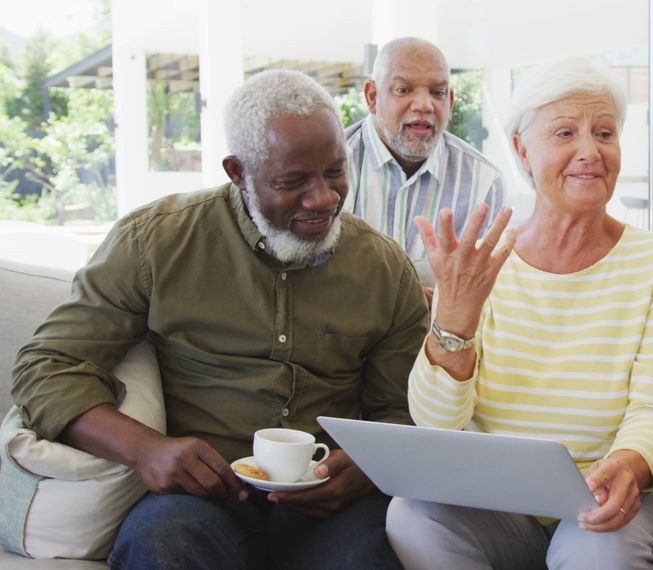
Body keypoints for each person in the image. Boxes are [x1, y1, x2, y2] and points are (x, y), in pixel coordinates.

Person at [11, 69, 429, 569]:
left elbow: (402, 411)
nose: (323, 198)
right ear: (238, 172)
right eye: (293, 181)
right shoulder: (156, 242)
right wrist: (147, 450)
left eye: (335, 171)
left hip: (330, 502)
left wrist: (362, 469)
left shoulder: (382, 266)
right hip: (200, 497)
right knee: (161, 550)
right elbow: (48, 365)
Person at [384, 58, 653, 569]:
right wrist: (456, 323)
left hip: (617, 493)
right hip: (504, 501)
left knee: (592, 544)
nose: (589, 152)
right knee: (411, 515)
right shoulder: (478, 263)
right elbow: (436, 422)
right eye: (565, 133)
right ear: (520, 148)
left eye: (604, 133)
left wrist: (627, 465)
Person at [345, 36, 506, 291]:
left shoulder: (484, 183)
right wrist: (406, 301)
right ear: (373, 97)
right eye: (403, 89)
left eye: (437, 93)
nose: (424, 105)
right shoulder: (330, 166)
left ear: (450, 102)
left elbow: (482, 294)